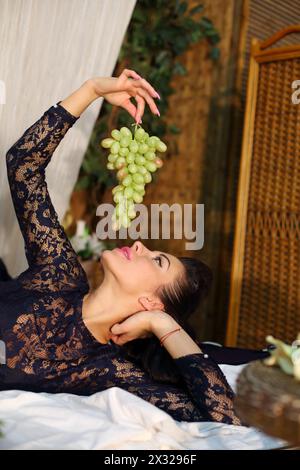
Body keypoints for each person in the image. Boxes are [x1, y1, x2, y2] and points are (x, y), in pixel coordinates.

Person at [0, 70, 267, 424]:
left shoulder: (107, 370)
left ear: (151, 302)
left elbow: (225, 413)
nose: (139, 244)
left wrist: (160, 323)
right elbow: (24, 166)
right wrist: (92, 89)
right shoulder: (59, 274)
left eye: (157, 261)